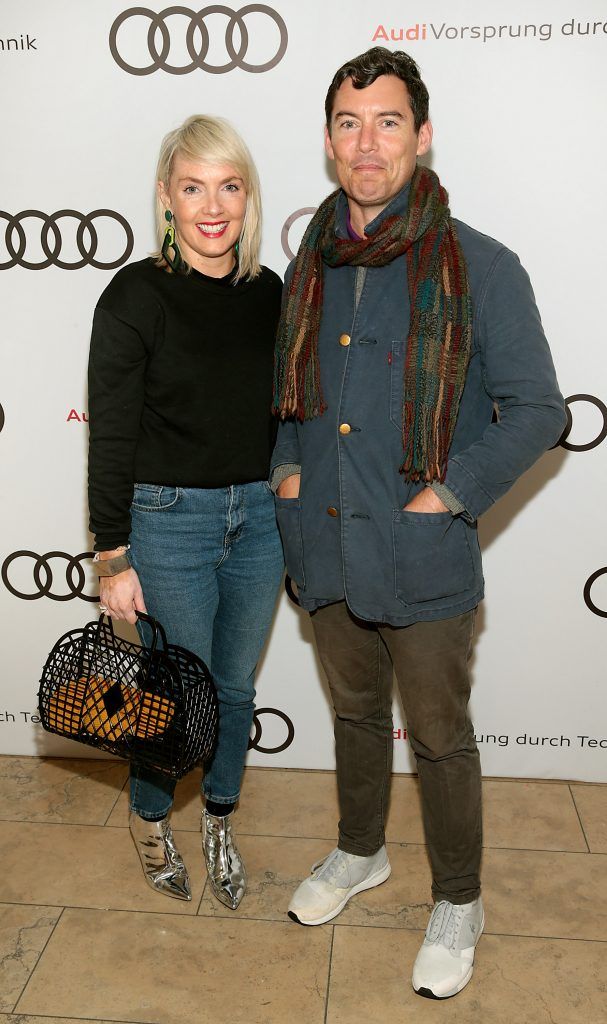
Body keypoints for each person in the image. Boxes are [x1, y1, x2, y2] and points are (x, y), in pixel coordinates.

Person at [271, 47, 565, 998]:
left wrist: (450, 492)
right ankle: (360, 850)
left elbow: (537, 408)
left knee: (436, 734)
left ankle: (459, 897)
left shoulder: (480, 264)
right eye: (350, 123)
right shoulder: (308, 262)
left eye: (388, 121)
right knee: (353, 714)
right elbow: (288, 396)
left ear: (422, 135)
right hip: (323, 539)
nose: (368, 142)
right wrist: (283, 468)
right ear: (328, 141)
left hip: (422, 551)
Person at [88, 114, 284, 910]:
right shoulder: (135, 294)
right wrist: (111, 557)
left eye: (228, 186)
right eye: (193, 186)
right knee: (172, 695)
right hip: (166, 521)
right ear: (166, 198)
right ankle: (149, 818)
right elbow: (111, 432)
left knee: (234, 689)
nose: (213, 205)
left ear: (247, 195)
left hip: (261, 520)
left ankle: (219, 820)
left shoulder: (268, 292)